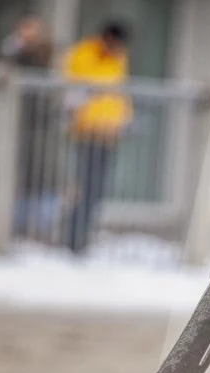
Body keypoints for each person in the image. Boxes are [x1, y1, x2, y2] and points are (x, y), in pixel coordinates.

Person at [61, 21, 132, 254]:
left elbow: (119, 92)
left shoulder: (118, 58)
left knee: (97, 188)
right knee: (86, 186)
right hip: (88, 130)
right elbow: (75, 89)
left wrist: (123, 120)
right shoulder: (85, 54)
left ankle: (82, 235)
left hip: (108, 132)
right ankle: (72, 237)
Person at [2, 15, 64, 240]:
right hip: (17, 120)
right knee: (17, 171)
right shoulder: (15, 53)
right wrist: (16, 47)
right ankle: (16, 224)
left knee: (43, 172)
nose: (29, 35)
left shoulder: (46, 54)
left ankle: (41, 227)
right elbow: (5, 66)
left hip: (42, 122)